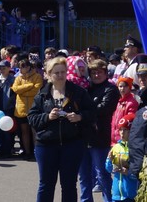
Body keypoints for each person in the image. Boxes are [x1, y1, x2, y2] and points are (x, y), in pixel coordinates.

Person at [28, 55, 95, 202]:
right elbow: (32, 118)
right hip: (46, 145)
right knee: (46, 184)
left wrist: (80, 117)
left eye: (63, 72)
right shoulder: (42, 94)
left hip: (72, 144)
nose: (60, 76)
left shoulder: (78, 92)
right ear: (49, 75)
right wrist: (47, 117)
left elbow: (92, 112)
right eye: (56, 73)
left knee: (69, 184)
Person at [80, 59, 117, 202]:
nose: (96, 75)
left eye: (99, 72)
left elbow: (103, 109)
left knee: (102, 174)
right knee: (84, 175)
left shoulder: (111, 89)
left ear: (106, 73)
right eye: (93, 73)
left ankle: (109, 200)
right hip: (83, 136)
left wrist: (84, 112)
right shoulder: (86, 88)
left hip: (100, 136)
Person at [12, 55, 43, 160]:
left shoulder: (37, 76)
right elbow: (15, 89)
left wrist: (23, 91)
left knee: (34, 131)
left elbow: (36, 91)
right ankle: (27, 152)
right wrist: (29, 86)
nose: (21, 69)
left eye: (23, 67)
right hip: (21, 109)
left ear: (29, 67)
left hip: (33, 108)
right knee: (24, 131)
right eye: (20, 67)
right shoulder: (18, 78)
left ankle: (36, 152)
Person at [0, 59, 16, 158]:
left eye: (4, 68)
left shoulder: (12, 80)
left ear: (9, 68)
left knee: (8, 129)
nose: (2, 70)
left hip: (8, 108)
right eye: (0, 68)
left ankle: (8, 149)